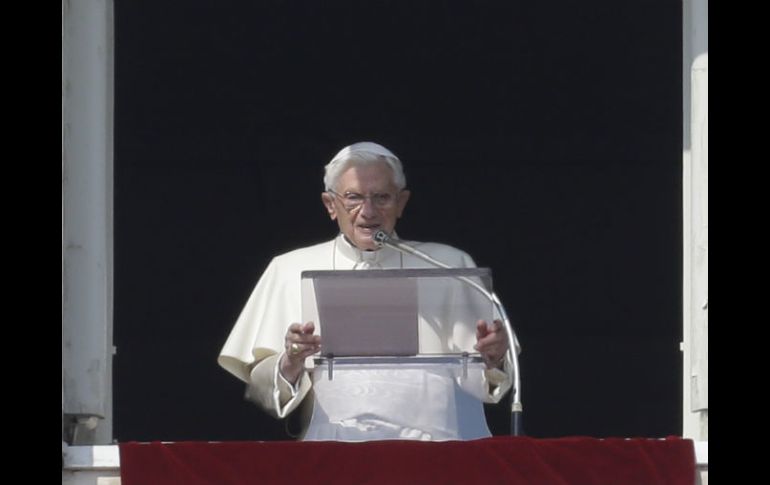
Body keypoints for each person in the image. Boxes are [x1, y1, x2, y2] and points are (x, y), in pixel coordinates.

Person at [218, 142, 512, 441]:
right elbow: (264, 392)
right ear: (330, 205)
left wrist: (495, 359)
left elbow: (486, 382)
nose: (368, 212)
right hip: (332, 452)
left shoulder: (448, 266)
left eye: (382, 197)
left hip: (435, 450)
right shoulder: (289, 268)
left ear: (402, 202)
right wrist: (291, 361)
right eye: (353, 198)